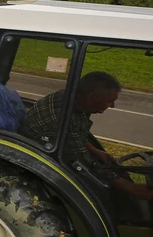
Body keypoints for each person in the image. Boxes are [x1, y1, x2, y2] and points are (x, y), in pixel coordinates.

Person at [20, 71, 153, 202]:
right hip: (42, 161)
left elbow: (75, 134)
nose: (112, 106)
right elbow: (83, 164)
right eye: (109, 101)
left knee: (110, 169)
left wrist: (95, 151)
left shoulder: (76, 101)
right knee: (101, 189)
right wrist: (130, 187)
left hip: (53, 148)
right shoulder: (64, 116)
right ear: (92, 97)